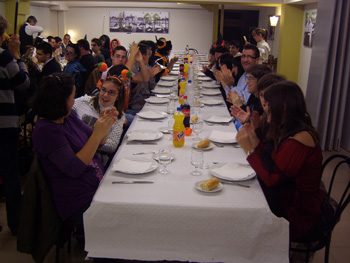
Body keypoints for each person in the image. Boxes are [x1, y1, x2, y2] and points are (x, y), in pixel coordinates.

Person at [236, 81, 325, 242]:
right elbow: (272, 160)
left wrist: (251, 147)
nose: (265, 108)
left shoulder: (300, 139)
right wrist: (255, 139)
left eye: (269, 104)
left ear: (283, 107)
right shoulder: (287, 128)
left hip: (296, 211)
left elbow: (273, 177)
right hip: (284, 195)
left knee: (239, 211)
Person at [31, 72, 118, 222]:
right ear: (61, 100)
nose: (74, 100)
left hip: (95, 187)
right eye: (72, 96)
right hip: (78, 201)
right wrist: (97, 134)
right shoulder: (46, 131)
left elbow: (99, 141)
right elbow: (74, 168)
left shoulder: (66, 116)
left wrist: (107, 122)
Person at [0, 15, 30, 235]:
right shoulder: (4, 57)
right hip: (4, 124)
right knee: (10, 174)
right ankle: (16, 223)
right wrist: (17, 55)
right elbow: (24, 83)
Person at [72, 75, 126, 166]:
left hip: (97, 161)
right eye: (103, 90)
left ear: (118, 96)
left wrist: (84, 139)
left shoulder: (119, 116)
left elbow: (112, 146)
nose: (105, 95)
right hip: (76, 153)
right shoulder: (82, 102)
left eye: (111, 92)